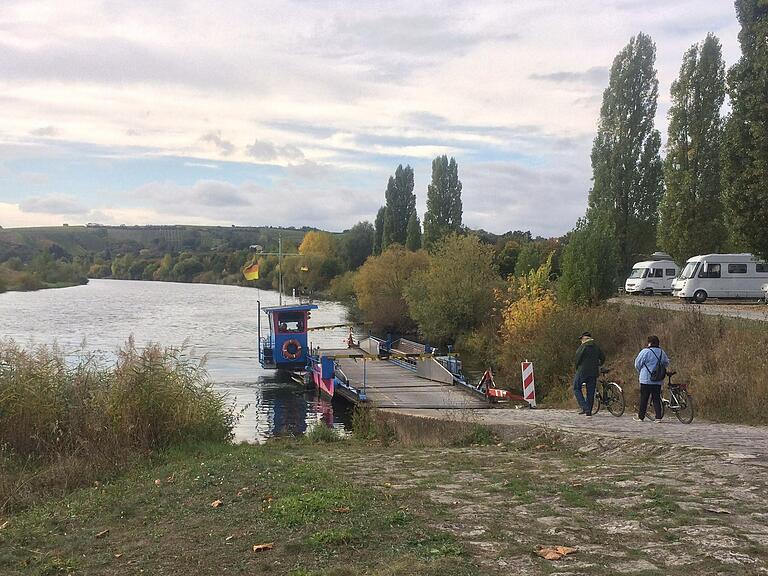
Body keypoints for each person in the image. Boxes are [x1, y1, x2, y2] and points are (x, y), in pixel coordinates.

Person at [633, 335, 670, 423]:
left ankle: (641, 417)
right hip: (657, 380)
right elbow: (666, 362)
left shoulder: (645, 352)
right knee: (656, 398)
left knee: (644, 398)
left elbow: (637, 364)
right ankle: (658, 417)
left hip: (645, 379)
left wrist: (641, 371)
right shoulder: (661, 352)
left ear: (649, 343)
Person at [573, 331, 605, 416]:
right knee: (590, 392)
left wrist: (577, 368)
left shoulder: (583, 347)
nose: (581, 341)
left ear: (584, 339)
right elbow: (603, 357)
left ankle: (585, 407)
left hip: (582, 371)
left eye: (581, 339)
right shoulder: (596, 346)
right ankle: (589, 411)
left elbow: (577, 359)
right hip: (593, 372)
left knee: (576, 388)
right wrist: (598, 364)